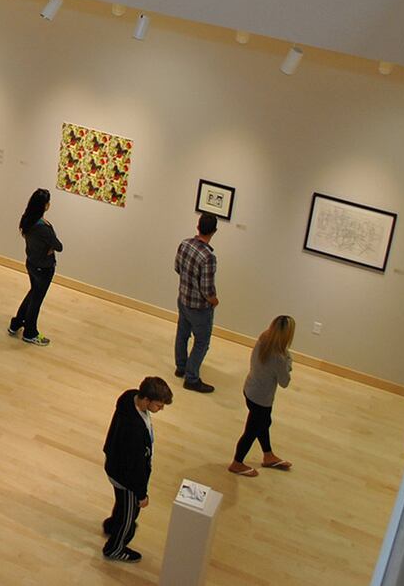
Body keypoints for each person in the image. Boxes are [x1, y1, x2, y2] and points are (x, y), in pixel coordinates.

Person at [101, 376, 172, 563]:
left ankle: (112, 525)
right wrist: (142, 495)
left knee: (122, 502)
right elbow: (135, 468)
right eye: (159, 405)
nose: (161, 409)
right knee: (130, 514)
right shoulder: (134, 430)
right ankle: (115, 548)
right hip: (125, 477)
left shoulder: (130, 396)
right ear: (146, 400)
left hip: (114, 465)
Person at [229, 315, 297, 476]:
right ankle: (237, 463)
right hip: (262, 399)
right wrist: (289, 361)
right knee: (252, 430)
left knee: (264, 422)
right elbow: (284, 382)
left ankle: (268, 455)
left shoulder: (263, 339)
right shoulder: (280, 358)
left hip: (250, 390)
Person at [8, 188, 61, 346]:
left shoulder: (27, 220)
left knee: (33, 294)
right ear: (44, 206)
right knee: (36, 299)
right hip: (43, 268)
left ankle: (16, 323)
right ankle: (30, 332)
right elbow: (59, 246)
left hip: (31, 264)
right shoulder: (43, 227)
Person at [174, 213, 220, 392]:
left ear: (198, 226)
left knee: (182, 334)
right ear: (214, 231)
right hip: (199, 308)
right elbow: (207, 289)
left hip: (183, 299)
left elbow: (177, 268)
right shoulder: (208, 257)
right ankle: (191, 378)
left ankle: (181, 367)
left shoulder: (184, 244)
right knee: (202, 342)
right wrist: (215, 301)